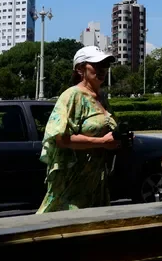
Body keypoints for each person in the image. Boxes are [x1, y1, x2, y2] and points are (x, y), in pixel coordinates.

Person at [37, 46, 122, 213]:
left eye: (105, 66)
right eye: (96, 65)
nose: (102, 70)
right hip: (73, 182)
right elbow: (61, 139)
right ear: (80, 69)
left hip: (97, 182)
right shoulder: (71, 96)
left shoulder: (102, 97)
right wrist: (101, 142)